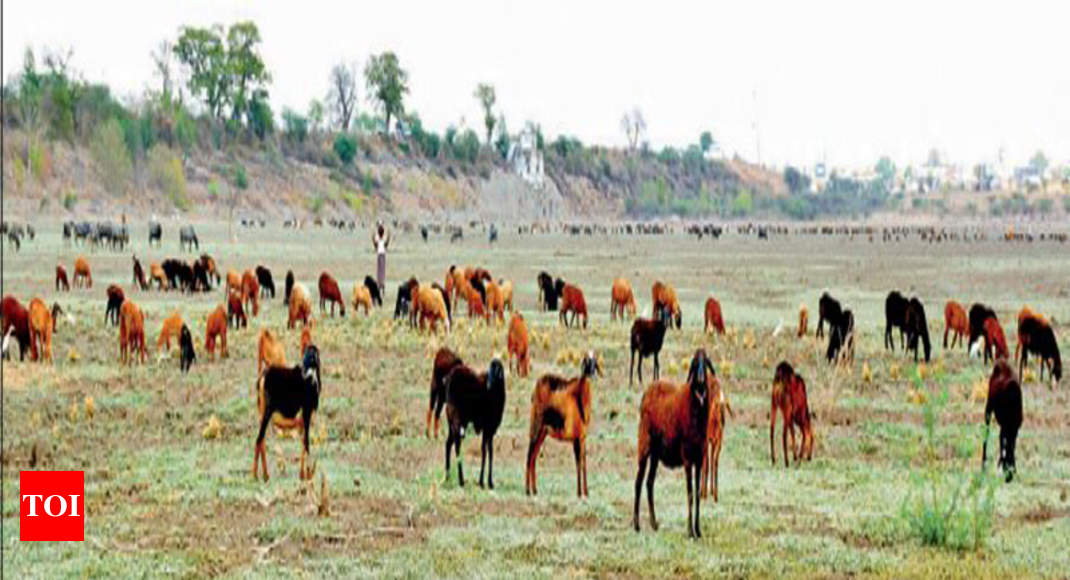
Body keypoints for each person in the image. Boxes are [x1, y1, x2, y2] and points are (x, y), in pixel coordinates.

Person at [372, 220, 390, 291]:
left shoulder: (381, 237)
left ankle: (381, 283)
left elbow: (385, 244)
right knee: (380, 269)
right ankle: (380, 283)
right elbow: (377, 244)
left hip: (381, 254)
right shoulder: (378, 237)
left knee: (381, 269)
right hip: (380, 254)